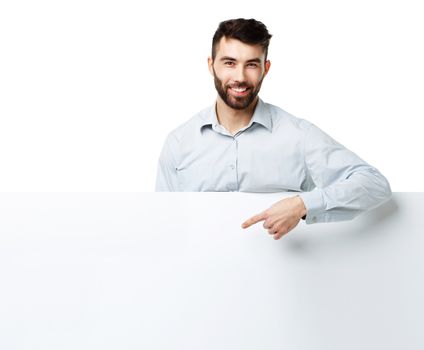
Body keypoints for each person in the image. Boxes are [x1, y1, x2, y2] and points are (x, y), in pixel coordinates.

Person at [155, 18, 391, 240]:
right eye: (229, 63)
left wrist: (303, 204)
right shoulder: (179, 142)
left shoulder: (298, 135)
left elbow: (374, 183)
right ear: (211, 65)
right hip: (199, 277)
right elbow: (162, 225)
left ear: (265, 68)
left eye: (251, 65)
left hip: (281, 280)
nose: (240, 76)